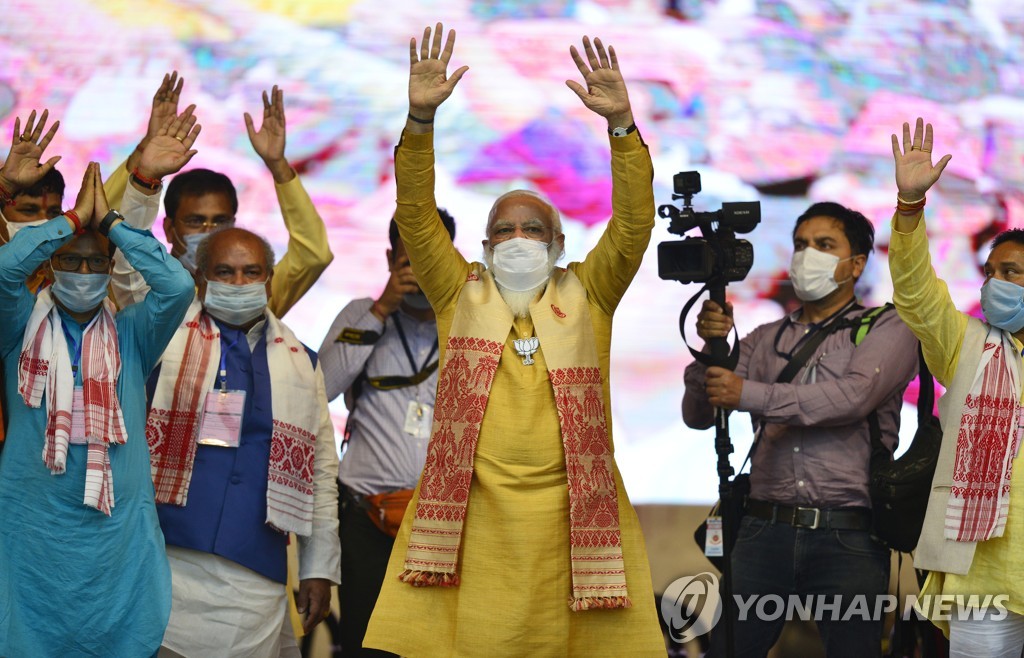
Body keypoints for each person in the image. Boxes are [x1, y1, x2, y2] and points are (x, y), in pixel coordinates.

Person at [362, 24, 665, 657]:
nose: (519, 238)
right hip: (473, 514)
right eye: (504, 230)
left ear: (558, 246)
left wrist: (622, 127)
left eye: (535, 229)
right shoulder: (458, 292)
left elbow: (635, 222)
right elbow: (415, 215)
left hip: (571, 515)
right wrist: (420, 120)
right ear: (484, 247)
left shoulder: (590, 292)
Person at [682, 199, 919, 656]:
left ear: (856, 264)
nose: (806, 255)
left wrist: (746, 393)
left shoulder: (887, 327)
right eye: (800, 244)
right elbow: (698, 415)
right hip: (761, 528)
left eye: (823, 244)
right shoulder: (763, 337)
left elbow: (852, 398)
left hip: (848, 533)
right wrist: (711, 348)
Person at [0, 158, 197, 655]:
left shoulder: (134, 331)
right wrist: (66, 222)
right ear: (49, 265)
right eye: (70, 260)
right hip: (33, 531)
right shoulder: (17, 325)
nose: (83, 272)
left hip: (116, 534)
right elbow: (4, 270)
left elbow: (177, 287)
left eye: (95, 263)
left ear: (112, 271)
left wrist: (111, 225)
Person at [146, 226, 340, 656]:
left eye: (251, 272)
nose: (238, 284)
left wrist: (318, 569)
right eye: (224, 272)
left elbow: (322, 472)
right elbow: (124, 276)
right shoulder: (163, 335)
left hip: (254, 569)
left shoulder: (302, 362)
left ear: (270, 279)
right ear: (200, 278)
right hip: (166, 559)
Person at [889, 118, 1024, 656]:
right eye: (991, 272)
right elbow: (917, 295)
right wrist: (909, 207)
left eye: (1013, 272)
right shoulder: (966, 344)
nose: (997, 282)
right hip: (983, 576)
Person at [318, 210, 455, 657]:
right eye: (408, 257)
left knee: (440, 643)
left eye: (431, 256)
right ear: (389, 258)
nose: (419, 267)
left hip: (445, 521)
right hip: (366, 517)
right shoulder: (361, 314)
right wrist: (382, 309)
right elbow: (321, 388)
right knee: (369, 642)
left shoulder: (465, 324)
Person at [104, 73, 332, 318]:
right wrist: (146, 150)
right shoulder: (140, 288)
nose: (208, 230)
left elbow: (313, 256)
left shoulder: (251, 295)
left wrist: (278, 166)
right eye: (195, 221)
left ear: (233, 226)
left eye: (220, 221)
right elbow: (105, 228)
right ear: (169, 229)